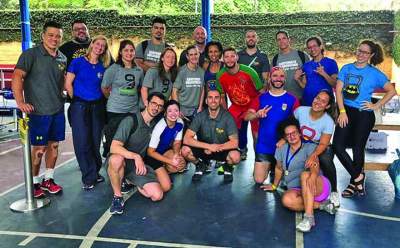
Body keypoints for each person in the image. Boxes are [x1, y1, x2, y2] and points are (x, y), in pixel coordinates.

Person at [333, 40, 396, 198]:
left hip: (364, 115)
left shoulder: (374, 73)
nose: (361, 54)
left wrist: (376, 105)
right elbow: (339, 90)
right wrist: (341, 111)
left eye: (365, 52)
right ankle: (358, 176)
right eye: (359, 50)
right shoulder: (346, 68)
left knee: (357, 148)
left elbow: (391, 91)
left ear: (371, 55)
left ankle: (353, 183)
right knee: (338, 146)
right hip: (345, 111)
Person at [12, 21, 67, 198]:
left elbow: (60, 83)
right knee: (39, 149)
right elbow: (17, 76)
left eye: (58, 36)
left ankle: (48, 180)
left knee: (54, 145)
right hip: (38, 112)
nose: (54, 39)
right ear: (43, 36)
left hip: (57, 110)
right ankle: (34, 183)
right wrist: (20, 102)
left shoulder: (62, 58)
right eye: (51, 35)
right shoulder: (31, 55)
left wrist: (64, 93)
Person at [262, 118, 336, 233]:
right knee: (286, 200)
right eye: (288, 135)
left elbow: (314, 166)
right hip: (298, 190)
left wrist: (312, 176)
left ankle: (309, 218)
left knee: (305, 175)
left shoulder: (309, 147)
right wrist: (274, 186)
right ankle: (321, 206)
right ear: (285, 137)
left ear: (300, 133)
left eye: (294, 133)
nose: (292, 136)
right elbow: (278, 168)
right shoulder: (281, 149)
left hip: (317, 185)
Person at [65, 35, 112, 189]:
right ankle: (88, 178)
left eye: (103, 46)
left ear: (104, 49)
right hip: (80, 106)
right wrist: (76, 101)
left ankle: (95, 172)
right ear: (92, 44)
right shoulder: (78, 62)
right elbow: (68, 84)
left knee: (95, 141)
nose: (99, 47)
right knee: (82, 142)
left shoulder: (102, 66)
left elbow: (105, 87)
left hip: (97, 107)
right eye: (97, 44)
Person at [107, 92, 166, 215]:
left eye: (160, 106)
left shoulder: (155, 125)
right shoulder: (131, 120)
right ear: (146, 103)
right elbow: (114, 147)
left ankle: (129, 180)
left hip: (136, 166)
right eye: (154, 103)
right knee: (116, 160)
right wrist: (135, 156)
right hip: (122, 160)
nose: (156, 108)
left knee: (157, 195)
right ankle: (117, 197)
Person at [245, 66, 299, 185]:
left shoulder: (292, 99)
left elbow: (298, 125)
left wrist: (285, 140)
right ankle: (271, 166)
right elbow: (247, 116)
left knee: (288, 183)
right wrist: (257, 115)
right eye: (275, 76)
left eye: (281, 76)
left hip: (283, 147)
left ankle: (277, 167)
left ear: (285, 79)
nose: (278, 79)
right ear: (270, 79)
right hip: (265, 145)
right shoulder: (261, 98)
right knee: (258, 179)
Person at [291, 90, 339, 207]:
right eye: (317, 98)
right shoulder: (301, 111)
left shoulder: (328, 121)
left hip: (319, 146)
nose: (318, 102)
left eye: (323, 101)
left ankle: (333, 190)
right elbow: (290, 126)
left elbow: (323, 144)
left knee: (326, 159)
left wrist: (314, 155)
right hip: (302, 145)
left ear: (327, 106)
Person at [182, 90, 241, 183]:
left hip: (222, 149)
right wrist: (208, 146)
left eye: (216, 97)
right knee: (185, 151)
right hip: (205, 150)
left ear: (221, 100)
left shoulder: (228, 117)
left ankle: (228, 167)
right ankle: (200, 165)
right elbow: (186, 139)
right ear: (206, 101)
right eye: (210, 97)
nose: (213, 100)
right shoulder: (200, 116)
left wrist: (216, 147)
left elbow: (234, 142)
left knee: (236, 156)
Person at [216, 47, 263, 160]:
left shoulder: (249, 71)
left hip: (253, 105)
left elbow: (261, 92)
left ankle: (259, 158)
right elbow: (222, 95)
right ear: (223, 59)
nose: (230, 59)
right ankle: (238, 150)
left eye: (232, 56)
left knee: (257, 134)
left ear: (237, 57)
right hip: (236, 106)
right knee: (226, 128)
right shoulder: (220, 76)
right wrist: (225, 112)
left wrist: (260, 109)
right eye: (226, 57)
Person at [101, 39, 144, 160]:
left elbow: (139, 88)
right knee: (114, 139)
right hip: (115, 111)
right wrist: (112, 99)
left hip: (132, 111)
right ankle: (112, 164)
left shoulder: (139, 70)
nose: (129, 53)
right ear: (120, 52)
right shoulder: (113, 69)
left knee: (130, 139)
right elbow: (104, 87)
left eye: (131, 51)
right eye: (126, 50)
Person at [146, 100, 186, 192]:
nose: (173, 113)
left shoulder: (180, 122)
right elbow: (150, 152)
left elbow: (177, 142)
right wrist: (170, 161)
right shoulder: (160, 126)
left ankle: (163, 169)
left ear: (179, 112)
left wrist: (176, 154)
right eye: (170, 110)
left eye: (176, 110)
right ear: (165, 113)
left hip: (165, 151)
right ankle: (150, 175)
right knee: (166, 187)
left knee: (181, 164)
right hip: (152, 155)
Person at [294, 36, 338, 106]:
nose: (312, 49)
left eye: (314, 46)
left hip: (324, 105)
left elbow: (335, 84)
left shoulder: (331, 63)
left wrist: (324, 74)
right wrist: (298, 80)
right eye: (309, 47)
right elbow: (305, 86)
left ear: (320, 46)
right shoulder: (306, 65)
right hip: (308, 103)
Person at [172, 45, 205, 127]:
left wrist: (200, 107)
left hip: (195, 110)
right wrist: (177, 109)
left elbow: (202, 90)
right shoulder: (182, 71)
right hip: (182, 109)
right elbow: (174, 91)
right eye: (191, 55)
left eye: (196, 54)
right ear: (187, 56)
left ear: (199, 54)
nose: (194, 57)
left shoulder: (202, 72)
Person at [272, 30, 310, 100]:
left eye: (284, 38)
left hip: (302, 98)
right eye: (279, 39)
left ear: (289, 40)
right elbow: (272, 80)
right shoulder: (275, 59)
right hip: (283, 99)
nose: (281, 41)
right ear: (277, 42)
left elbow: (309, 77)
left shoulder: (302, 55)